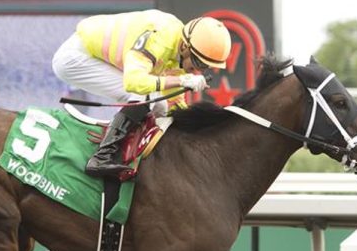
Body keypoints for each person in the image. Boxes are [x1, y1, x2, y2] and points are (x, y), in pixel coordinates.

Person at [52, 10, 232, 177]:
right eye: (198, 63)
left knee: (160, 105)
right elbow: (134, 82)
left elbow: (174, 103)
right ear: (185, 46)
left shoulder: (179, 51)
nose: (197, 71)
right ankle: (101, 157)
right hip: (76, 58)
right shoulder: (159, 38)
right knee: (146, 96)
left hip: (94, 56)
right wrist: (183, 81)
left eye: (205, 67)